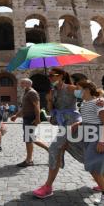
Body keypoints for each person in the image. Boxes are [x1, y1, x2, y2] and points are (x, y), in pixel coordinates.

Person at [33, 68, 82, 198]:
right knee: (81, 151)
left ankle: (48, 187)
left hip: (73, 123)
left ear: (61, 76)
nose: (50, 78)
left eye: (52, 75)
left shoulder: (71, 88)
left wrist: (99, 101)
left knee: (55, 149)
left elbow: (87, 96)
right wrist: (49, 100)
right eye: (48, 76)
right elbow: (51, 110)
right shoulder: (52, 91)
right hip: (62, 123)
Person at [76, 80, 104, 206]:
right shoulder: (83, 104)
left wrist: (103, 141)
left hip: (99, 136)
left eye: (78, 88)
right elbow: (90, 119)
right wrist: (79, 123)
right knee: (102, 169)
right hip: (89, 136)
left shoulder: (99, 102)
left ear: (87, 89)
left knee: (93, 166)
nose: (76, 91)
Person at [11, 78, 48, 167]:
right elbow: (24, 107)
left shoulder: (32, 93)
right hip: (27, 118)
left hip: (31, 118)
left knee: (29, 139)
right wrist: (16, 115)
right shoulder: (26, 92)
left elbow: (37, 106)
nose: (20, 84)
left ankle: (29, 160)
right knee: (30, 138)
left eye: (22, 83)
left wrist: (38, 118)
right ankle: (32, 158)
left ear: (28, 84)